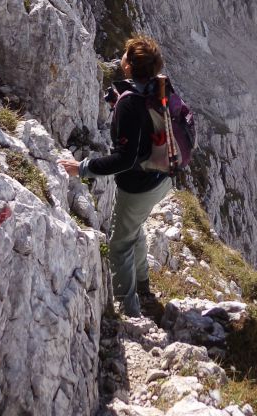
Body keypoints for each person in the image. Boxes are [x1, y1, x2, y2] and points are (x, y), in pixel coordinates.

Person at [59, 34, 173, 317]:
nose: (121, 58)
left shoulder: (129, 103)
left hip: (140, 186)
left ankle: (129, 307)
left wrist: (82, 168)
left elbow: (125, 159)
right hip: (165, 177)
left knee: (120, 242)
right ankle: (143, 287)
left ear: (129, 66)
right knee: (133, 229)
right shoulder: (159, 87)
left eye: (125, 56)